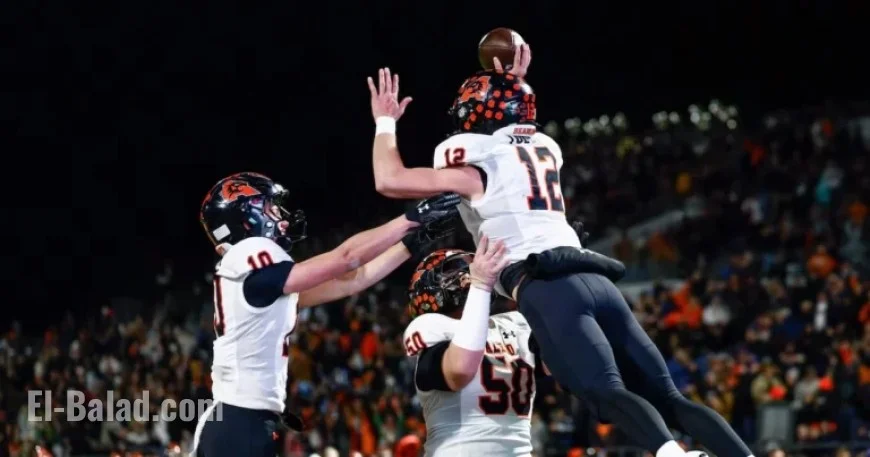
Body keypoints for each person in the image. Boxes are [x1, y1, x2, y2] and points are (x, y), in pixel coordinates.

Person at [364, 61, 754, 457]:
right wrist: (512, 81)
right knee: (670, 397)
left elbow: (389, 179)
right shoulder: (540, 150)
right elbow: (513, 135)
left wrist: (384, 122)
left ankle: (674, 455)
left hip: (547, 286)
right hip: (594, 275)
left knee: (605, 393)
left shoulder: (475, 170)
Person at [192, 172, 460, 457]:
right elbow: (346, 259)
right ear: (245, 217)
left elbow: (354, 280)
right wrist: (412, 218)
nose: (279, 215)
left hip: (237, 420)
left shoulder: (256, 283)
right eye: (269, 207)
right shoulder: (249, 252)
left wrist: (412, 243)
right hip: (240, 421)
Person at [403, 238, 547, 457]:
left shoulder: (514, 323)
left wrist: (558, 287)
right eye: (453, 269)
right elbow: (459, 371)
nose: (466, 272)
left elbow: (563, 368)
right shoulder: (431, 326)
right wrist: (480, 286)